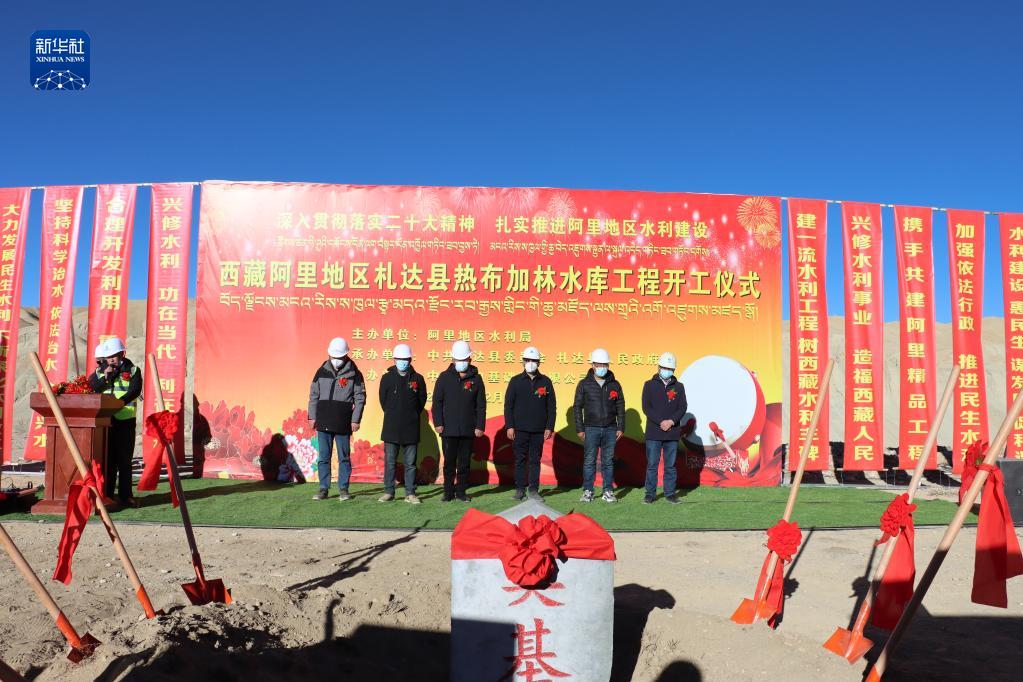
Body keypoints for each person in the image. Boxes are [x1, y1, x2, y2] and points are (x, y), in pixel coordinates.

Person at [308, 337, 366, 501]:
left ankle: (343, 489)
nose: (336, 359)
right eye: (334, 356)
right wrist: (312, 416)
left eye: (339, 357)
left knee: (344, 457)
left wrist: (355, 420)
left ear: (346, 355)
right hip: (323, 421)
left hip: (343, 422)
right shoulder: (321, 371)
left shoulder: (355, 374)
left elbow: (360, 398)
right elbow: (313, 395)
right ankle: (323, 488)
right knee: (323, 457)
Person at [88, 338, 142, 508]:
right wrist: (106, 377)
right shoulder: (100, 372)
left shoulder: (133, 370)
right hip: (105, 420)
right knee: (108, 461)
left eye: (114, 356)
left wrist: (120, 402)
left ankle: (126, 496)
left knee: (125, 460)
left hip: (125, 420)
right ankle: (108, 495)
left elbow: (135, 390)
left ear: (122, 354)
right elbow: (92, 388)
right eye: (109, 357)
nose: (111, 360)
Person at [432, 340, 486, 502]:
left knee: (464, 463)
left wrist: (480, 426)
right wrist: (438, 423)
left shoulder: (476, 379)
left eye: (464, 359)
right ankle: (448, 492)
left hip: (468, 429)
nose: (461, 362)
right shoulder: (444, 377)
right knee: (449, 463)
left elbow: (481, 405)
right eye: (458, 359)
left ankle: (461, 492)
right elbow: (437, 402)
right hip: (448, 429)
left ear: (470, 359)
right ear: (453, 359)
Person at [504, 346, 556, 501]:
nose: (530, 363)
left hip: (538, 430)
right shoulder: (515, 381)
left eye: (534, 360)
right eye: (527, 360)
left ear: (539, 363)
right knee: (520, 460)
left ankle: (533, 490)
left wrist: (549, 427)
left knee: (535, 461)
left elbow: (551, 407)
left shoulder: (545, 381)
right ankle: (520, 490)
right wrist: (510, 426)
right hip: (519, 429)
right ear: (523, 362)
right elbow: (508, 406)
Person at [573, 348, 624, 503]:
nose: (602, 367)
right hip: (591, 428)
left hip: (610, 428)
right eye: (599, 364)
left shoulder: (615, 384)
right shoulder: (584, 384)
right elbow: (577, 407)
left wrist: (620, 427)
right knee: (590, 461)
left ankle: (608, 491)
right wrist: (580, 429)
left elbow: (620, 406)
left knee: (608, 461)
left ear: (608, 365)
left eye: (605, 364)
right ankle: (588, 491)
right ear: (593, 365)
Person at [378, 343, 427, 504]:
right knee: (390, 462)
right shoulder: (387, 378)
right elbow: (383, 401)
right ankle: (389, 492)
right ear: (394, 359)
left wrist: (411, 415)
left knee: (410, 463)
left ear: (410, 360)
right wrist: (393, 413)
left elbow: (421, 402)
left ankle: (410, 493)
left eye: (405, 359)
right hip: (391, 427)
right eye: (399, 359)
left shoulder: (418, 379)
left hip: (411, 427)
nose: (402, 362)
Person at [641, 352, 687, 505]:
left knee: (670, 466)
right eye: (664, 368)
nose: (667, 370)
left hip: (672, 433)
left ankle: (670, 493)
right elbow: (646, 407)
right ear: (659, 367)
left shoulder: (679, 387)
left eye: (670, 369)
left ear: (674, 370)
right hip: (654, 432)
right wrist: (661, 421)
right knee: (652, 465)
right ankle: (650, 494)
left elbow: (682, 407)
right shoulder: (649, 385)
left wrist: (671, 421)